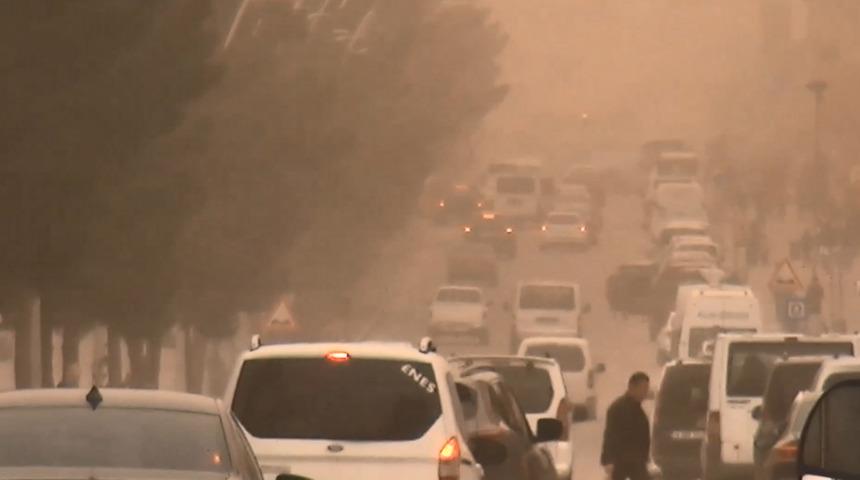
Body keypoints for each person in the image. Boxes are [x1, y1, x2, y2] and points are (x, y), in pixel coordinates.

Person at [601, 372, 651, 480]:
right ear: (632, 387)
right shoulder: (617, 408)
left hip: (637, 460)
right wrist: (608, 460)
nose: (645, 392)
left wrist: (645, 457)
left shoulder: (638, 409)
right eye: (643, 388)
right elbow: (610, 435)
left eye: (647, 388)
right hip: (621, 460)